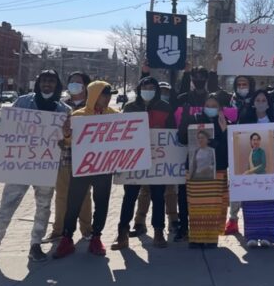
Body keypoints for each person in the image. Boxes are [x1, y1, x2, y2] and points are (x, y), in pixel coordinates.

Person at [0, 70, 70, 268]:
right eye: (44, 80)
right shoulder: (22, 102)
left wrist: (65, 138)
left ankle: (35, 245)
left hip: (45, 167)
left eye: (51, 81)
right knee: (6, 208)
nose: (47, 84)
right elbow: (5, 128)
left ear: (56, 85)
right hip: (19, 166)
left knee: (43, 208)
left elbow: (66, 143)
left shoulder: (64, 110)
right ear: (38, 83)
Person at [54, 81, 119, 259]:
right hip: (82, 167)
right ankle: (67, 238)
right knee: (73, 202)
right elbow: (67, 143)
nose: (107, 98)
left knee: (102, 202)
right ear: (94, 96)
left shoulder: (114, 115)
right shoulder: (78, 116)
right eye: (104, 94)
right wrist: (67, 134)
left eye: (109, 95)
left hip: (104, 168)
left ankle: (96, 237)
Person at [111, 76, 176, 251]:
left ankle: (158, 231)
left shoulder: (165, 108)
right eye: (145, 86)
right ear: (139, 89)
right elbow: (121, 133)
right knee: (129, 197)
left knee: (157, 197)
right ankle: (122, 233)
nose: (148, 89)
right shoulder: (130, 107)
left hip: (158, 160)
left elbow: (172, 134)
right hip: (133, 162)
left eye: (151, 87)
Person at [44, 71, 92, 243]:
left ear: (86, 86)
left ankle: (87, 229)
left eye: (78, 82)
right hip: (64, 158)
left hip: (85, 161)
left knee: (85, 196)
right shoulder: (61, 107)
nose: (74, 85)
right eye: (71, 82)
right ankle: (59, 230)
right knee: (62, 196)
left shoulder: (92, 107)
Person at [179, 95, 230, 248]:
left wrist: (224, 130)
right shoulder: (195, 119)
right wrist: (185, 118)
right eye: (208, 104)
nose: (210, 108)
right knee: (196, 205)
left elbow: (228, 148)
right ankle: (195, 237)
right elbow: (182, 139)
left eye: (214, 105)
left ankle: (210, 238)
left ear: (220, 108)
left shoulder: (224, 122)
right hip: (196, 171)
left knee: (214, 206)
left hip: (217, 170)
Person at [237, 89, 274, 249]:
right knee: (251, 203)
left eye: (264, 100)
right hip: (249, 172)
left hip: (270, 170)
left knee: (269, 203)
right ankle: (251, 235)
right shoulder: (245, 120)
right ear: (253, 103)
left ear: (269, 103)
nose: (261, 103)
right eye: (258, 100)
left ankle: (267, 236)